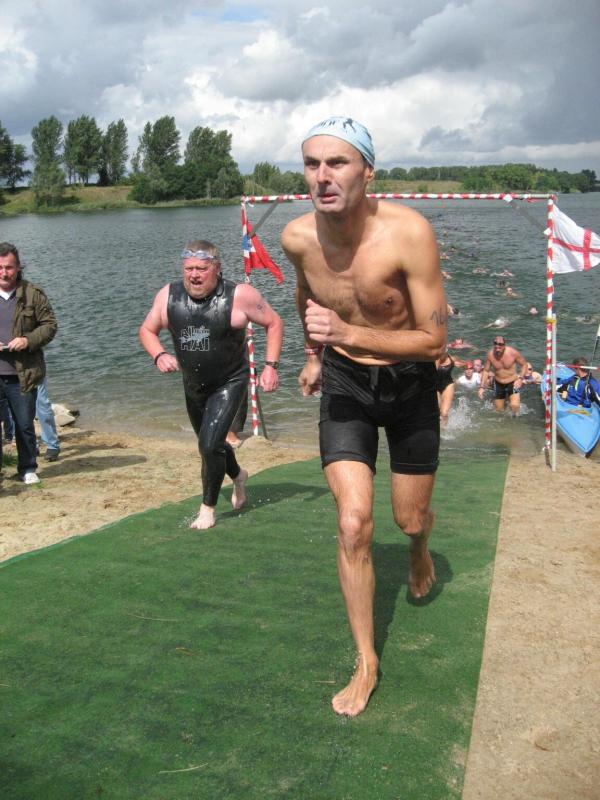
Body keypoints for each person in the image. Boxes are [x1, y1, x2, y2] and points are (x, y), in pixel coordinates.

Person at [281, 116, 446, 717]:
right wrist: (312, 354)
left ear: (367, 172)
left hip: (409, 384)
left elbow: (434, 341)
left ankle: (421, 547)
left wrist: (348, 331)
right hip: (346, 381)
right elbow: (307, 295)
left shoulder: (409, 234)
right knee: (353, 524)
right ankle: (367, 660)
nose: (322, 176)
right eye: (312, 164)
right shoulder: (297, 238)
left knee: (408, 518)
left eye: (338, 163)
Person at [139, 239, 283, 530]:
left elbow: (274, 323)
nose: (194, 275)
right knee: (210, 444)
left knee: (209, 444)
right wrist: (159, 355)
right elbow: (147, 329)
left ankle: (208, 509)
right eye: (188, 268)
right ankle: (239, 475)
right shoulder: (168, 296)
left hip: (229, 381)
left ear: (216, 268)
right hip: (194, 385)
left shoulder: (239, 295)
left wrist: (270, 366)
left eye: (201, 269)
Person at [0, 242, 57, 484]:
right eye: (0, 267)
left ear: (18, 267)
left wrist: (27, 340)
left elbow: (50, 326)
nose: (4, 273)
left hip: (22, 373)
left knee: (24, 424)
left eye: (9, 267)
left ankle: (27, 468)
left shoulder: (33, 293)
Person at [478, 335, 529, 415]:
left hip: (513, 383)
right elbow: (486, 371)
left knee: (515, 408)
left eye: (500, 344)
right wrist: (481, 387)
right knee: (499, 411)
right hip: (498, 384)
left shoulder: (513, 353)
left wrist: (520, 379)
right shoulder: (490, 355)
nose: (497, 346)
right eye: (495, 343)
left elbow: (524, 365)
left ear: (504, 345)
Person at [36, 375, 60, 460]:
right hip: (8, 373)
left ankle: (52, 445)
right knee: (20, 408)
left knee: (41, 403)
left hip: (34, 370)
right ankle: (30, 445)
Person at [435, 351, 455, 426]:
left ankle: (444, 429)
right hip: (435, 387)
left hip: (448, 385)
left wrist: (466, 367)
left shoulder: (452, 359)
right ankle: (438, 427)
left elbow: (465, 365)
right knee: (437, 411)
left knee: (444, 413)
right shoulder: (432, 359)